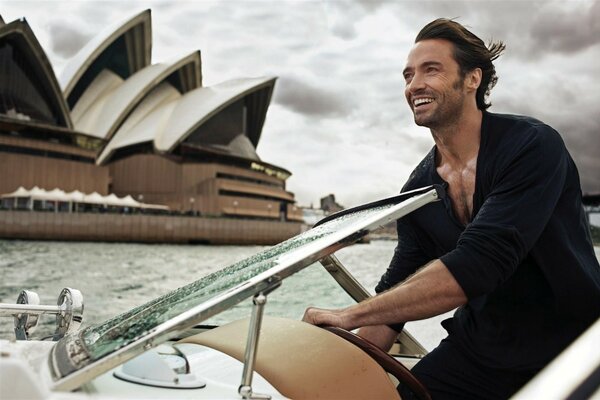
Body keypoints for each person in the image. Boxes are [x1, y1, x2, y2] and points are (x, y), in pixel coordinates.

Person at [303, 18, 600, 399]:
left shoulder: (532, 146)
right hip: (481, 349)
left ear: (473, 79)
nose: (414, 85)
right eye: (408, 75)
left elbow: (482, 262)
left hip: (572, 345)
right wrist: (330, 375)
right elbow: (395, 293)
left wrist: (349, 315)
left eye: (431, 70)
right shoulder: (419, 189)